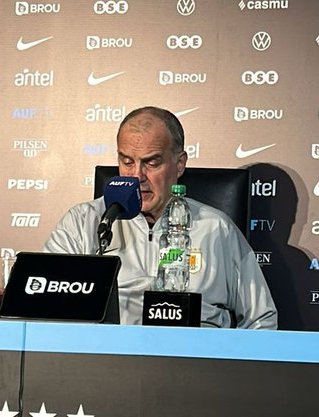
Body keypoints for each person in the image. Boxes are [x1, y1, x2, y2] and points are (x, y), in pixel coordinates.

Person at [43, 106, 277, 329]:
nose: (137, 176)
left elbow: (261, 320)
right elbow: (43, 307)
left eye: (152, 163)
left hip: (196, 352)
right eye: (127, 162)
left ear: (179, 164)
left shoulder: (216, 228)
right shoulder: (83, 222)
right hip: (113, 353)